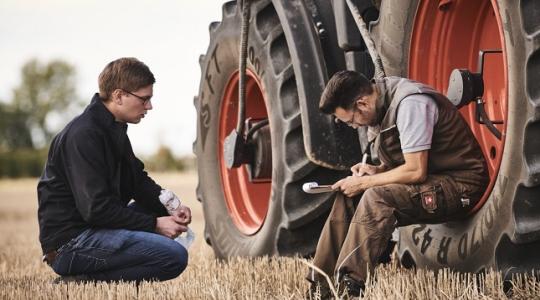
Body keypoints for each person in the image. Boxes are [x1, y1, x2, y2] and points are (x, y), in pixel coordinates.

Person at [307, 70, 488, 297]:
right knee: (348, 193)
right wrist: (376, 170)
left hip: (461, 184)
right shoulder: (381, 103)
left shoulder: (410, 104)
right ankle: (320, 285)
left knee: (375, 197)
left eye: (351, 121)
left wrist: (367, 183)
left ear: (362, 103)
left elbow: (416, 171)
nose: (354, 126)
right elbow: (414, 160)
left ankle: (349, 287)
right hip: (435, 178)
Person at [37, 57, 191, 283]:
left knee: (158, 212)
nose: (149, 106)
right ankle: (82, 281)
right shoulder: (84, 135)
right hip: (71, 244)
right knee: (174, 256)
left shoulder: (113, 128)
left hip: (95, 228)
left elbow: (136, 180)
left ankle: (88, 277)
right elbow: (97, 209)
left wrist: (169, 206)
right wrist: (155, 225)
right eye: (144, 99)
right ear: (119, 96)